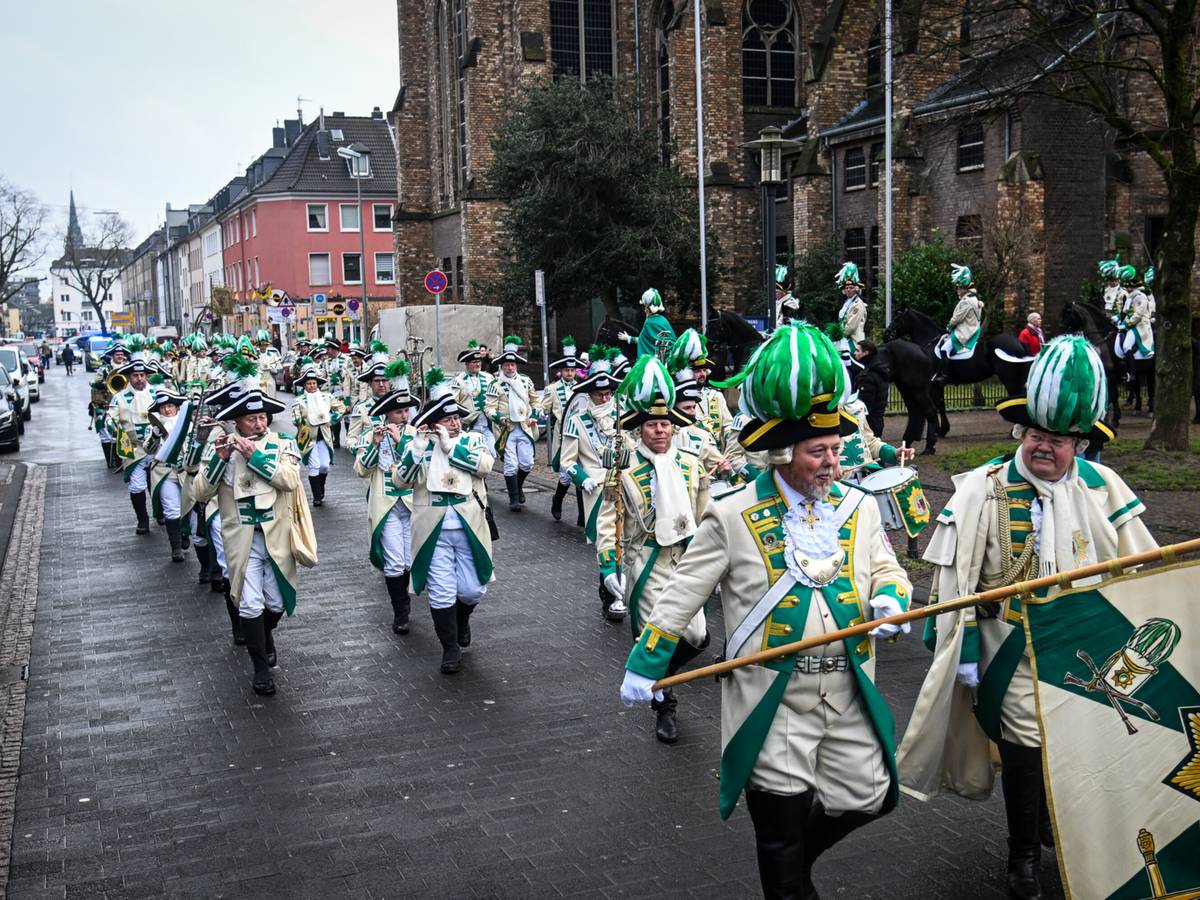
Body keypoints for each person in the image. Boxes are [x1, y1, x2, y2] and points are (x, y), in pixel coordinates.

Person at [619, 324, 913, 897]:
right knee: (777, 835)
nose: (832, 462)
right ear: (783, 453)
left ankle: (793, 869)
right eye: (817, 452)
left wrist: (892, 598)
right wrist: (647, 660)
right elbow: (683, 590)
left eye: (834, 449)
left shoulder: (858, 508)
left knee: (870, 796)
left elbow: (888, 569)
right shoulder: (731, 514)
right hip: (772, 696)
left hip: (850, 688)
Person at [898, 336, 1156, 900]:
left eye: (1058, 440)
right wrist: (964, 649)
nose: (1045, 448)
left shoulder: (1102, 485)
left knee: (1074, 745)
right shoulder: (983, 490)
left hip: (1087, 647)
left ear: (1079, 443)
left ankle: (1052, 824)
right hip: (1010, 646)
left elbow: (1143, 566)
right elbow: (953, 584)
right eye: (1037, 435)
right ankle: (1021, 856)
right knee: (1026, 740)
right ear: (1023, 432)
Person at [600, 356, 710, 744]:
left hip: (687, 558)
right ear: (641, 429)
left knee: (697, 638)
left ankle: (648, 674)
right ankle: (665, 706)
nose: (660, 429)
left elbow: (703, 513)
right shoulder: (625, 468)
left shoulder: (692, 464)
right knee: (657, 634)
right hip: (646, 560)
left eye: (665, 423)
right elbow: (607, 517)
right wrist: (608, 564)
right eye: (652, 424)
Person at [192, 386, 305, 696]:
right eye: (251, 419)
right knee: (250, 602)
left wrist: (255, 456)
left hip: (277, 536)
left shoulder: (282, 443)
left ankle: (264, 635)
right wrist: (219, 460)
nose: (259, 424)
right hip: (242, 538)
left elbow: (291, 480)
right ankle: (260, 669)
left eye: (262, 417)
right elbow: (199, 494)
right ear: (237, 423)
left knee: (276, 602)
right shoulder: (220, 449)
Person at [394, 369, 496, 674]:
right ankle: (450, 647)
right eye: (447, 419)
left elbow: (485, 466)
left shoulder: (472, 439)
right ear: (433, 421)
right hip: (432, 529)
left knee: (472, 590)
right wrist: (416, 449)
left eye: (456, 418)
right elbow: (400, 481)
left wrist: (452, 447)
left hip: (469, 525)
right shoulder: (419, 445)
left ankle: (461, 619)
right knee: (441, 591)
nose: (454, 423)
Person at [558, 350, 626, 621]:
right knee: (607, 542)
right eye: (600, 395)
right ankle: (610, 596)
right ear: (590, 395)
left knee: (625, 540)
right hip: (597, 488)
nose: (605, 398)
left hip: (624, 485)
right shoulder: (576, 422)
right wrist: (582, 478)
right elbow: (567, 461)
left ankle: (621, 590)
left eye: (609, 393)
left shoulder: (623, 417)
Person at [353, 366, 420, 635]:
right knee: (394, 562)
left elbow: (418, 467)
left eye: (406, 412)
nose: (403, 417)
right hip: (387, 505)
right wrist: (375, 444)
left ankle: (405, 600)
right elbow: (361, 469)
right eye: (397, 413)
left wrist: (402, 442)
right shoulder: (373, 434)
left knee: (408, 561)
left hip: (413, 505)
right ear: (386, 414)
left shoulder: (416, 435)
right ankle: (400, 612)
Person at [486, 336, 541, 512]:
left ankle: (517, 486)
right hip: (507, 429)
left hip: (525, 427)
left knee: (527, 464)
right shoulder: (495, 384)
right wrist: (500, 418)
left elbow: (535, 401)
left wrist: (535, 416)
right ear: (502, 367)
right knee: (510, 464)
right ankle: (514, 499)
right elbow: (489, 408)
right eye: (507, 365)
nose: (510, 368)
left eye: (513, 365)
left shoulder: (526, 381)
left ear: (516, 366)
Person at [104, 356, 156, 534]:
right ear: (129, 377)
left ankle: (162, 514)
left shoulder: (158, 394)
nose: (139, 378)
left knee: (162, 484)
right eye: (135, 375)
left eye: (142, 375)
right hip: (134, 448)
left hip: (157, 447)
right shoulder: (119, 397)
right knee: (137, 486)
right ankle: (142, 520)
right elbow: (110, 418)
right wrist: (113, 428)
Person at [145, 388, 190, 562]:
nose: (167, 410)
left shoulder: (189, 424)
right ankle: (176, 547)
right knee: (171, 508)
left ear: (177, 407)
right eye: (163, 407)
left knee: (189, 507)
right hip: (164, 471)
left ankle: (185, 533)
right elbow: (147, 449)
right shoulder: (153, 427)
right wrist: (155, 436)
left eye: (170, 406)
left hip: (186, 472)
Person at [540, 337, 580, 521]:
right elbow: (544, 407)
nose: (570, 373)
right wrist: (540, 413)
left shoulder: (583, 387)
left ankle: (583, 516)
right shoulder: (552, 389)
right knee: (566, 474)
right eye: (567, 370)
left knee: (582, 471)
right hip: (563, 433)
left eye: (572, 370)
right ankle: (557, 500)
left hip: (581, 434)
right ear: (561, 371)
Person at [291, 360, 341, 506]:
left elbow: (342, 408)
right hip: (307, 437)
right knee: (314, 466)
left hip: (324, 437)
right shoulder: (298, 400)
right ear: (304, 386)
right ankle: (316, 496)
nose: (312, 386)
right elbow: (295, 419)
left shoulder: (327, 397)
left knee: (324, 466)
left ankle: (320, 488)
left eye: (314, 383)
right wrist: (301, 420)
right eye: (309, 384)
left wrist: (332, 419)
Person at [932, 263, 985, 383]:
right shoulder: (975, 299)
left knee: (945, 347)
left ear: (963, 288)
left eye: (958, 287)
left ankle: (944, 375)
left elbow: (956, 319)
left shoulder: (966, 301)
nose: (957, 290)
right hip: (973, 329)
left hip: (965, 331)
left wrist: (948, 327)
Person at [453, 340, 496, 454]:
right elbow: (453, 402)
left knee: (492, 453)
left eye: (479, 361)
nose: (478, 364)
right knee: (474, 457)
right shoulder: (459, 380)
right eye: (474, 362)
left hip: (488, 425)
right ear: (467, 364)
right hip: (470, 426)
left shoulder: (489, 378)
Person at [621, 288, 677, 359]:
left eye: (645, 306)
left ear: (649, 308)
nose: (644, 309)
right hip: (670, 359)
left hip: (659, 360)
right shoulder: (663, 319)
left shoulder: (649, 322)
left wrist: (628, 338)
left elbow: (642, 340)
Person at [835, 261, 869, 354]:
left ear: (856, 289)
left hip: (854, 340)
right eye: (846, 288)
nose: (848, 290)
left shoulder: (859, 304)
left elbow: (851, 326)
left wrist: (838, 334)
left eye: (851, 287)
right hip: (844, 338)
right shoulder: (847, 303)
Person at [1098, 258, 1124, 323]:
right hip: (1104, 315)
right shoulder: (1103, 289)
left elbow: (1125, 307)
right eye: (1111, 281)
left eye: (1116, 280)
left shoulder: (1123, 291)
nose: (1114, 283)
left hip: (1117, 317)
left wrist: (1118, 316)